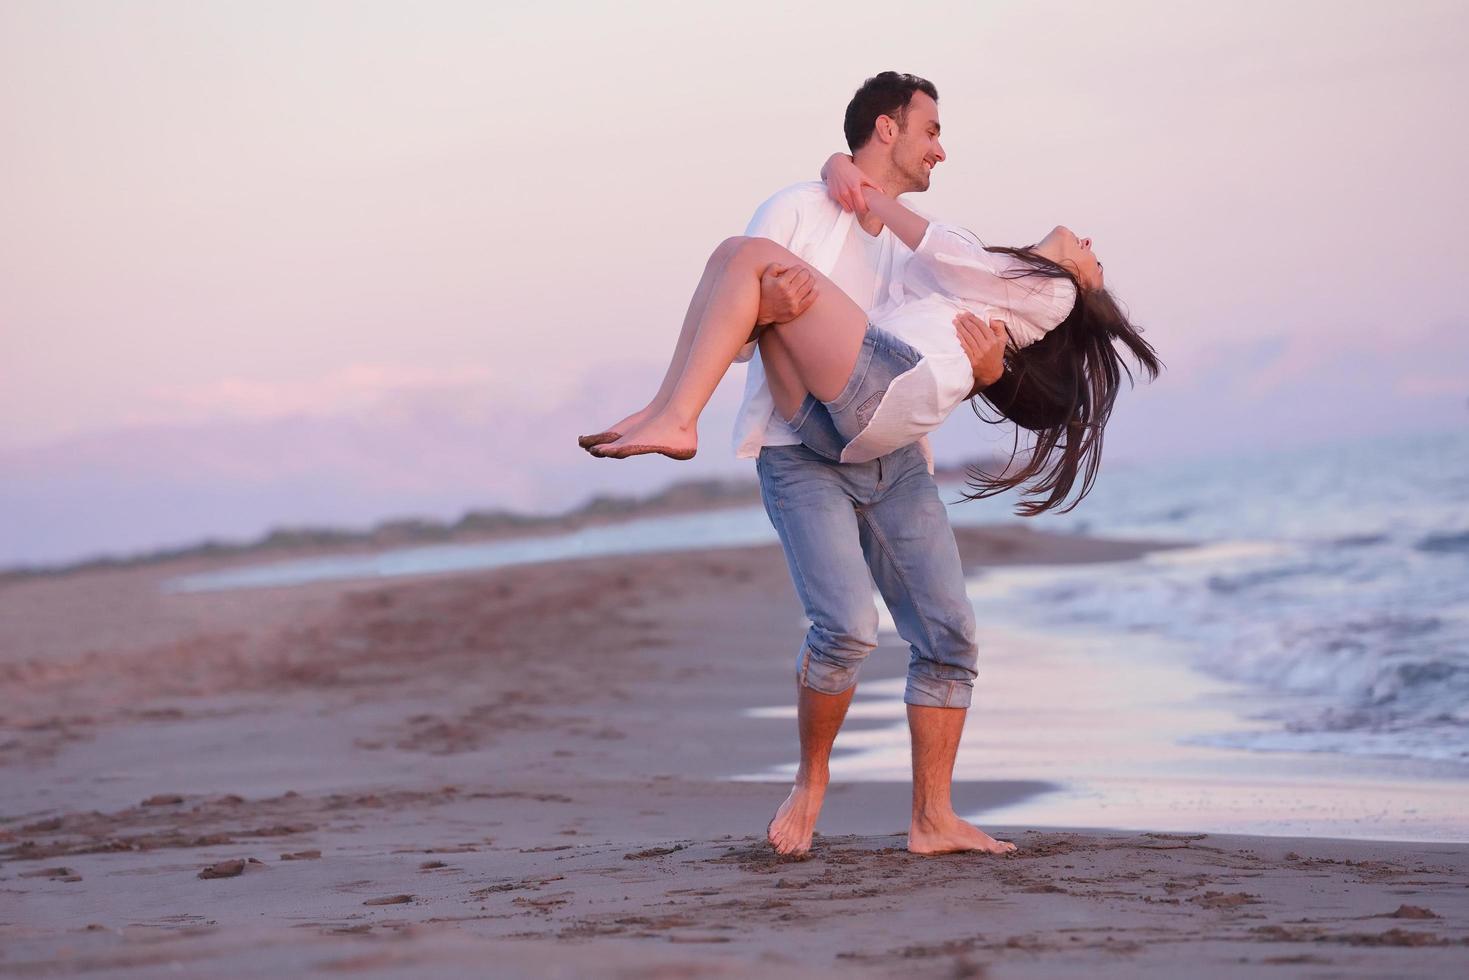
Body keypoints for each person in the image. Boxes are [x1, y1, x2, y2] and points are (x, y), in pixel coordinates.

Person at [579, 73, 1157, 857]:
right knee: (845, 630)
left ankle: (933, 818)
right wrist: (815, 214)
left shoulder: (937, 252)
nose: (940, 149)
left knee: (949, 634)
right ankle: (811, 780)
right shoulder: (796, 208)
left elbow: (958, 329)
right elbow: (742, 320)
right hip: (800, 446)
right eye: (930, 131)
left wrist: (994, 377)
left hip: (892, 450)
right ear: (886, 130)